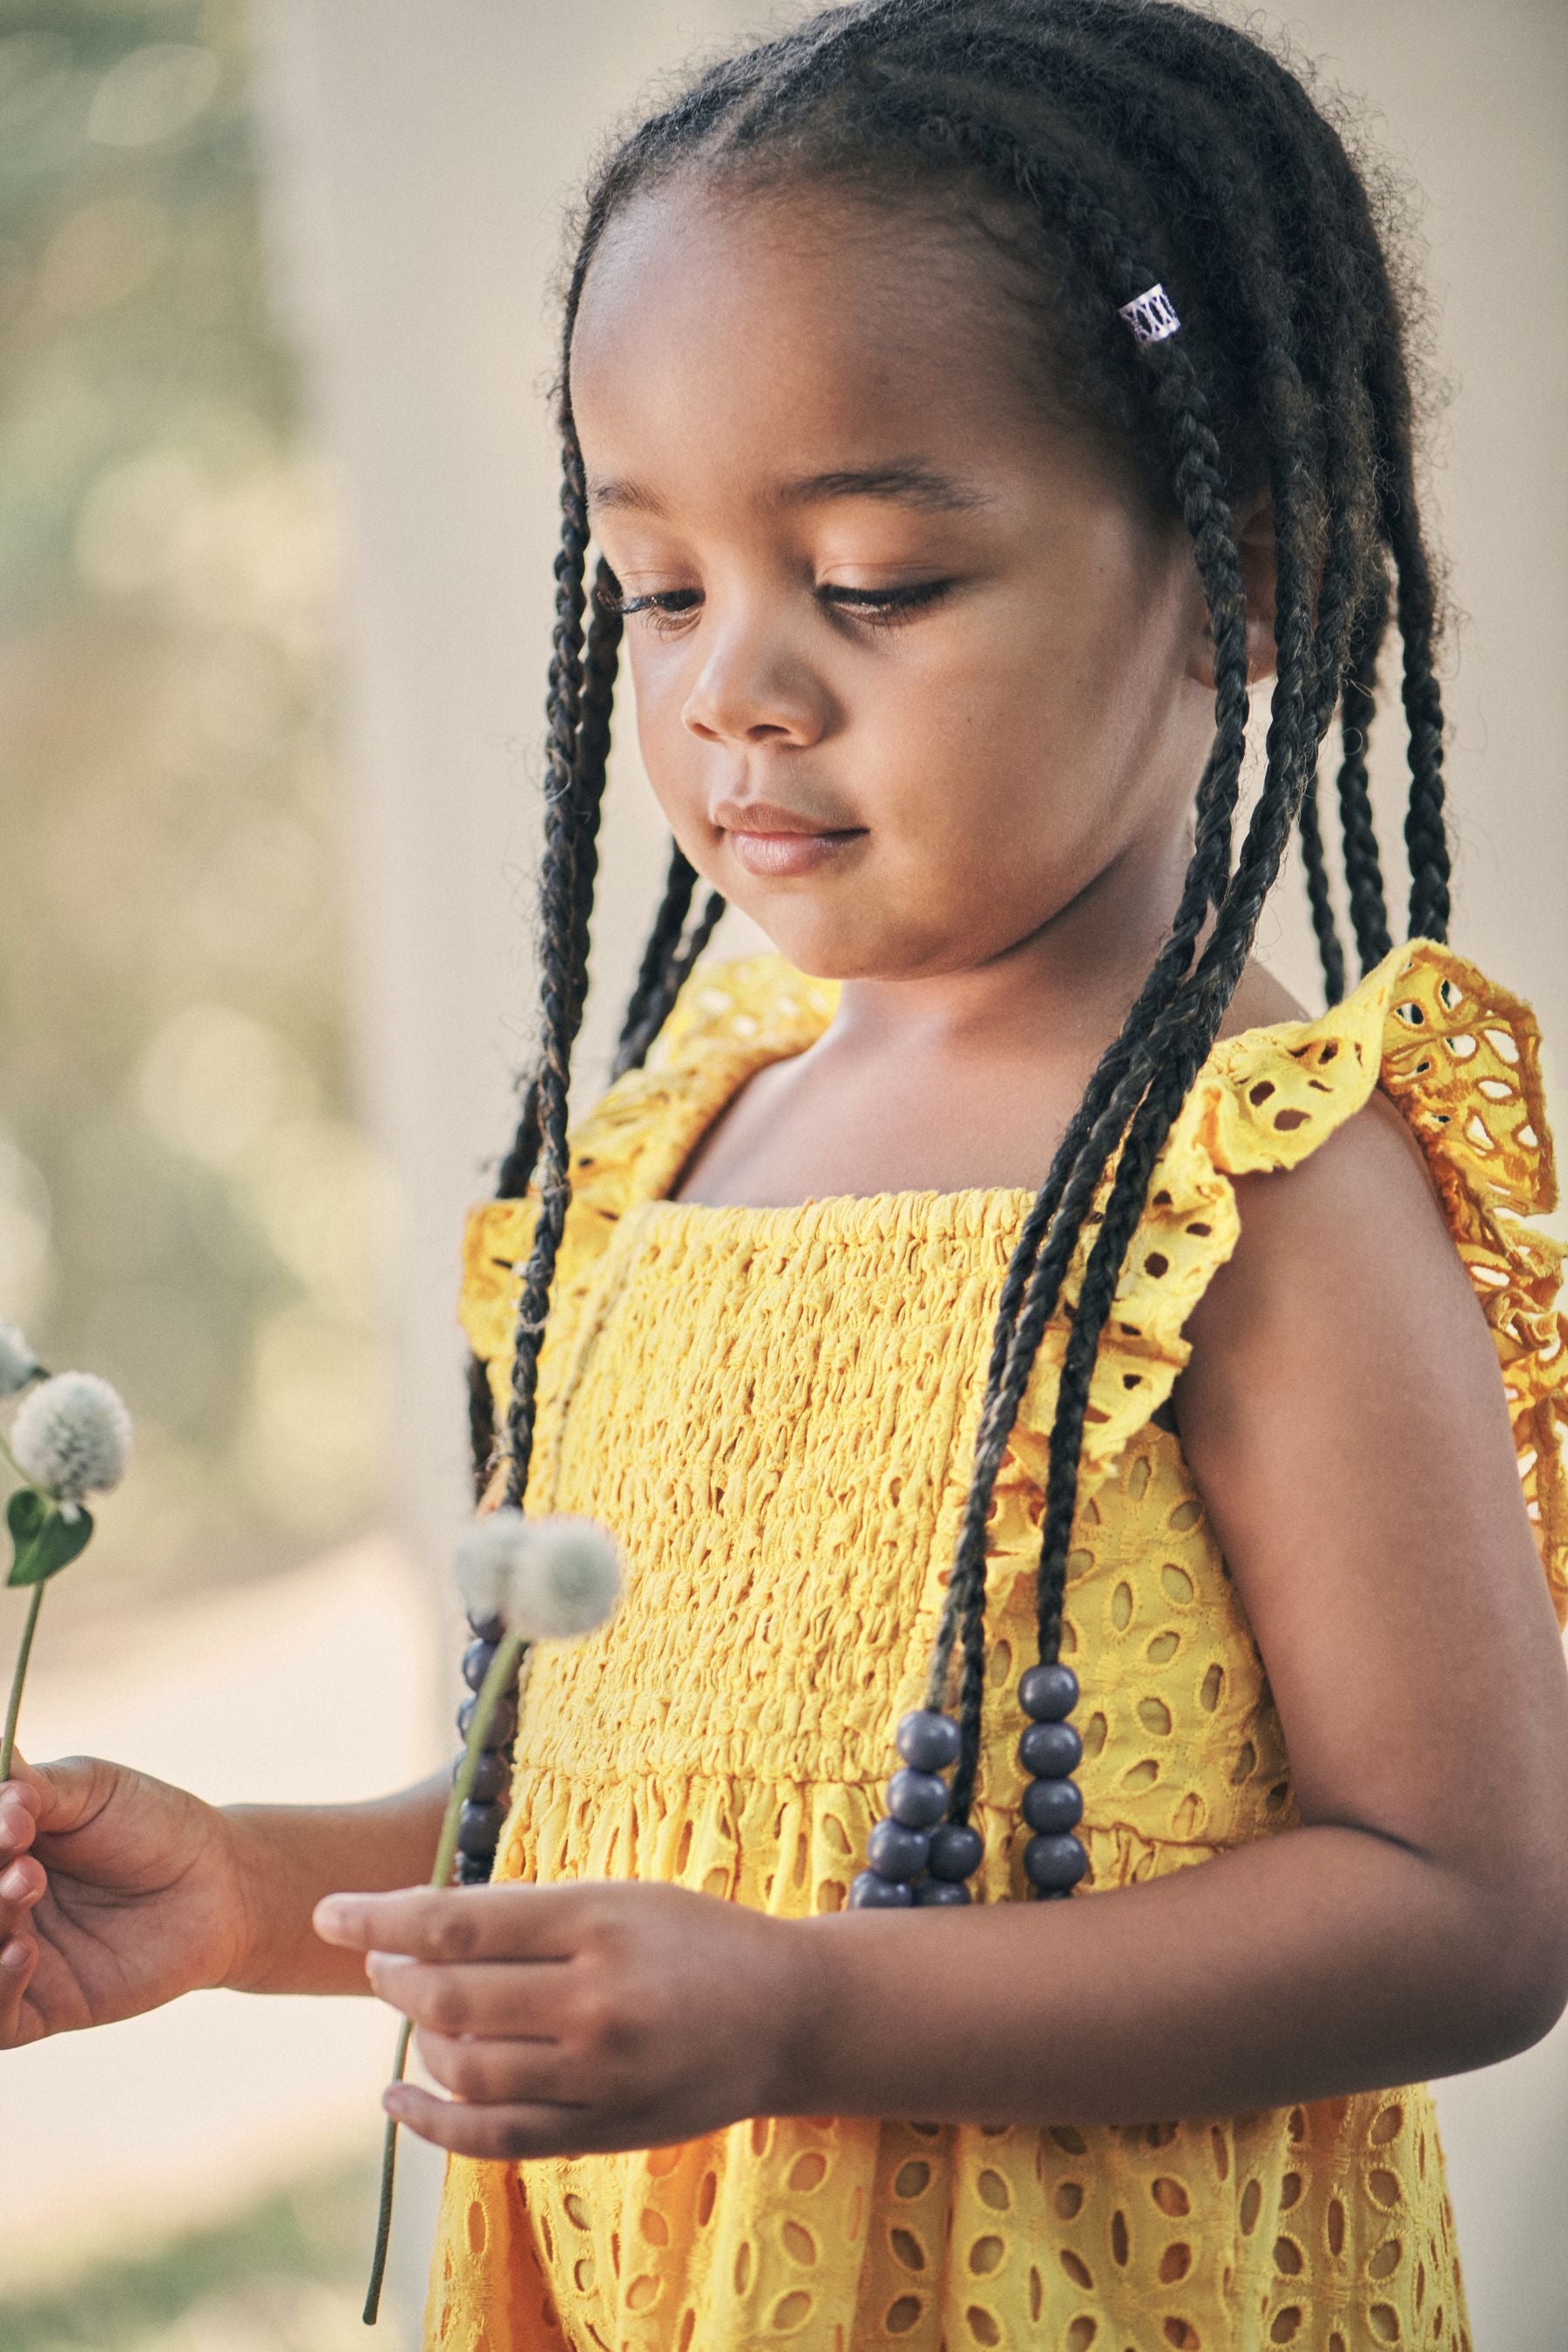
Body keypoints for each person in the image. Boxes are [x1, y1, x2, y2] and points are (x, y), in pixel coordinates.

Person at [3, 2, 1567, 2345]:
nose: (738, 683)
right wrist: (252, 1894)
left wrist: (818, 2009)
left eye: (870, 580)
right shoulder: (676, 1142)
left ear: (1239, 570)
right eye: (655, 585)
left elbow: (1474, 1901)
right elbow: (650, 1803)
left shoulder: (1248, 1182)